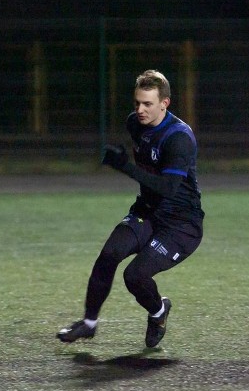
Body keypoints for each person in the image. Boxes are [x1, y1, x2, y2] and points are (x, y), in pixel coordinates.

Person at [57, 70, 204, 348]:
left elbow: (169, 188)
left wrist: (125, 167)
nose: (140, 110)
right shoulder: (134, 124)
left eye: (148, 104)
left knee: (134, 276)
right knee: (109, 253)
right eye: (137, 102)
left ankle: (159, 312)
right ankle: (88, 323)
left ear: (165, 103)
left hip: (180, 225)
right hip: (147, 211)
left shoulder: (179, 138)